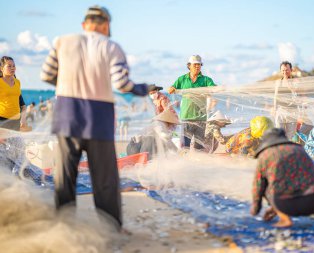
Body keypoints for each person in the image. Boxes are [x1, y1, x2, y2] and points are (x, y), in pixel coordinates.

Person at [40, 5, 155, 230]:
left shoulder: (62, 41)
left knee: (65, 179)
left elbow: (46, 74)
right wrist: (143, 89)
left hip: (67, 116)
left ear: (84, 24)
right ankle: (110, 229)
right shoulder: (111, 47)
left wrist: (66, 85)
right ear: (106, 25)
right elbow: (122, 83)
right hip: (98, 120)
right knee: (105, 181)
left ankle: (64, 229)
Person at [168, 55, 216, 149]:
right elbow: (171, 89)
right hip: (186, 117)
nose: (197, 66)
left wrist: (219, 88)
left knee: (199, 146)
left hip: (201, 118)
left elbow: (214, 88)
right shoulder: (182, 79)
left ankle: (198, 163)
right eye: (195, 65)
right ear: (189, 66)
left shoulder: (206, 80)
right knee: (186, 145)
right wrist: (172, 88)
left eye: (199, 64)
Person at [0, 56, 29, 131]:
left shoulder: (17, 82)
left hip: (16, 120)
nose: (12, 68)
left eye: (13, 66)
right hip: (2, 120)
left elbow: (23, 105)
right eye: (9, 66)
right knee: (3, 143)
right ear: (1, 68)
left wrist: (23, 120)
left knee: (17, 143)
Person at [273, 61, 300, 139]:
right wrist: (274, 109)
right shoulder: (278, 82)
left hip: (292, 111)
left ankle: (288, 149)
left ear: (291, 70)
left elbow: (295, 92)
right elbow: (276, 96)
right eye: (283, 70)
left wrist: (288, 82)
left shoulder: (295, 81)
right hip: (281, 110)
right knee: (279, 132)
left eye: (287, 70)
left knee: (290, 134)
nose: (285, 72)